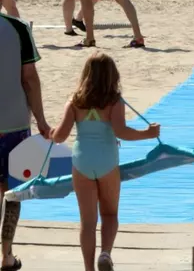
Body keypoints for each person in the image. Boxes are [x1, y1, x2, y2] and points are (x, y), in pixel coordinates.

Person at [50, 53, 160, 271]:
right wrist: (147, 134)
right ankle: (106, 253)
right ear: (112, 76)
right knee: (109, 214)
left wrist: (52, 133)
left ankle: (89, 269)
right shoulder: (114, 101)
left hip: (82, 161)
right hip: (107, 160)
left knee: (87, 222)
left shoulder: (74, 101)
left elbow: (60, 137)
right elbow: (121, 131)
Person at [0, 0, 50, 271]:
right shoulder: (18, 28)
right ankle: (6, 255)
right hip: (14, 124)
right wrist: (41, 120)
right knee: (12, 192)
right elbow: (29, 77)